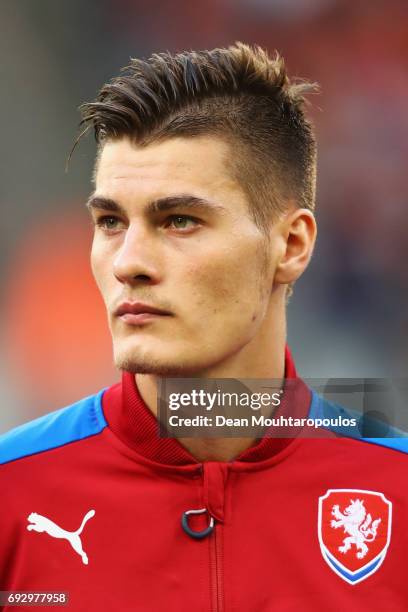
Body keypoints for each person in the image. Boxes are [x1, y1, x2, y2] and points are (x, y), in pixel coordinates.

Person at [0, 43, 406, 611]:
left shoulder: (397, 490)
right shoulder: (12, 495)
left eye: (179, 220)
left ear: (291, 245)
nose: (128, 263)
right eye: (110, 221)